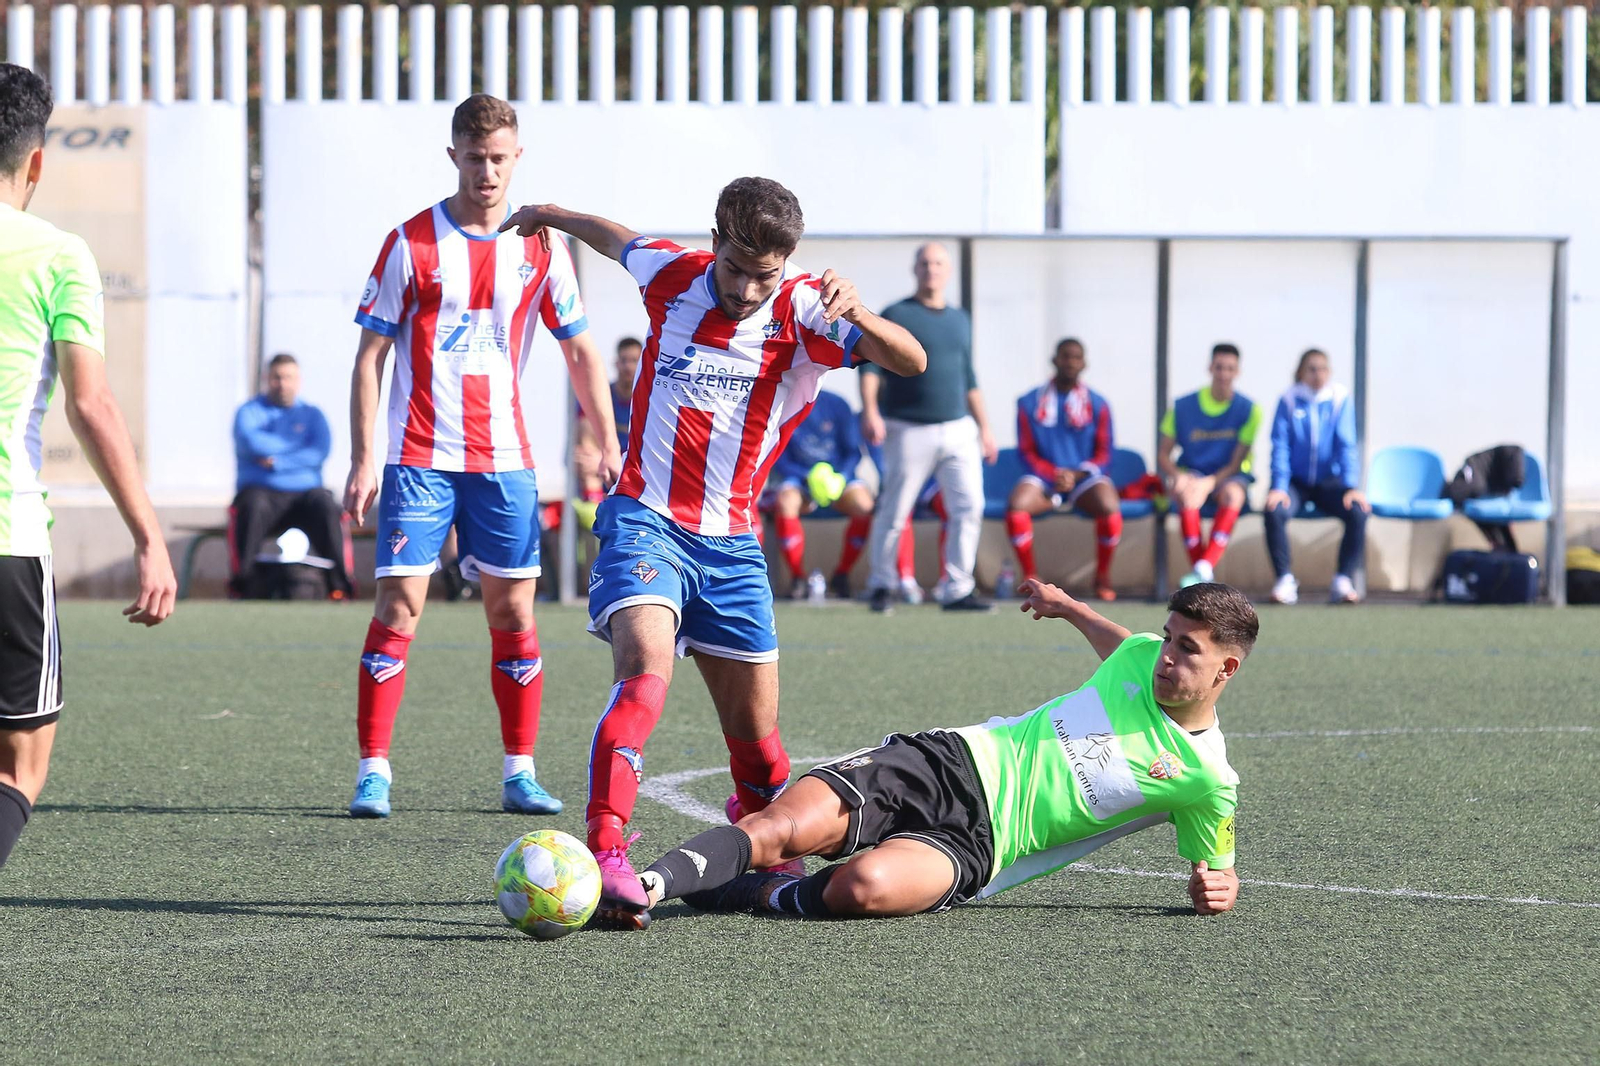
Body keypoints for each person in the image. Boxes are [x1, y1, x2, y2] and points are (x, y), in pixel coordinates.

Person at [499, 176, 927, 924]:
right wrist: (547, 214)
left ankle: (759, 838)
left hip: (731, 547)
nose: (747, 289)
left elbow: (911, 361)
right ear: (715, 244)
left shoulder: (805, 309)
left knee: (760, 750)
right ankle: (607, 852)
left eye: (766, 275)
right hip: (645, 522)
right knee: (644, 679)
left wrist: (858, 311)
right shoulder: (672, 274)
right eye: (735, 269)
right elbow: (614, 237)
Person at [617, 579, 1251, 925]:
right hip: (949, 762)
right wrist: (1066, 607)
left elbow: (1216, 870)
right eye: (1167, 637)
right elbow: (1119, 641)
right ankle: (644, 886)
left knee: (863, 888)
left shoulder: (1207, 778)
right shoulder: (1141, 656)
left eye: (1187, 649)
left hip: (986, 845)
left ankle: (757, 894)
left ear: (1226, 668)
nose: (1166, 656)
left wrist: (1216, 887)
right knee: (781, 829)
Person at [341, 94, 621, 820]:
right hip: (419, 456)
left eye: (499, 158)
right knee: (400, 605)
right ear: (454, 157)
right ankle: (374, 770)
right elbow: (370, 356)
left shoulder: (541, 248)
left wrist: (608, 441)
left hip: (504, 459)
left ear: (516, 157)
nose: (487, 172)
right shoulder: (410, 242)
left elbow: (581, 351)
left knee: (513, 609)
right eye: (475, 158)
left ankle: (519, 771)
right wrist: (365, 458)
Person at [0, 64, 177, 870]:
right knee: (18, 767)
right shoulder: (58, 254)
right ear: (37, 160)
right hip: (8, 537)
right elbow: (91, 404)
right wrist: (149, 536)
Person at [860, 242, 997, 615]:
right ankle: (882, 584)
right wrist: (870, 411)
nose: (931, 269)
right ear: (915, 269)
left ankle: (957, 589)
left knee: (969, 507)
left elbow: (968, 377)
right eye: (924, 263)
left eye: (937, 263)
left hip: (958, 429)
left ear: (947, 271)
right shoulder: (896, 313)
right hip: (907, 428)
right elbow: (871, 367)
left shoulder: (960, 319)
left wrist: (985, 428)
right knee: (895, 508)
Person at [1006, 338, 1123, 601]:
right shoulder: (1028, 402)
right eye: (1065, 356)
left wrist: (1076, 475)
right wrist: (1054, 475)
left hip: (1083, 479)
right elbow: (1026, 452)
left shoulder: (1098, 404)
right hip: (1045, 479)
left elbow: (1105, 454)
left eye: (1076, 357)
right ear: (1054, 360)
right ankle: (1030, 576)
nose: (1070, 362)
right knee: (1017, 505)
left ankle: (1102, 577)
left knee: (1109, 504)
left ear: (1084, 364)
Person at [229, 353, 355, 599]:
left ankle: (340, 586)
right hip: (262, 494)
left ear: (298, 380)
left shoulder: (313, 415)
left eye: (288, 377)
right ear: (267, 379)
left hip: (305, 495)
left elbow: (318, 452)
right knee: (251, 505)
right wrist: (298, 449)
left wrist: (277, 462)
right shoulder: (249, 412)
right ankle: (242, 586)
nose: (282, 383)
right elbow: (252, 443)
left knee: (326, 505)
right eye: (277, 377)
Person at [1264, 348, 1368, 605]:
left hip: (1328, 482)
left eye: (1322, 369)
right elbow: (1280, 445)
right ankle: (1285, 580)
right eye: (1312, 369)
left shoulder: (1339, 399)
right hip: (1296, 483)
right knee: (1274, 510)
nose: (1318, 374)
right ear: (1301, 372)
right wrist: (1279, 486)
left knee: (1358, 511)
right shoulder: (1289, 399)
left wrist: (1350, 486)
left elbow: (1346, 445)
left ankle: (1343, 579)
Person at [1156, 343, 1263, 589]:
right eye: (1219, 367)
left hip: (1229, 476)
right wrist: (1178, 476)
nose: (1224, 373)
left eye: (1230, 368)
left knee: (1233, 495)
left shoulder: (1250, 410)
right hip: (1193, 474)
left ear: (1237, 372)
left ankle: (1203, 568)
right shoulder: (1182, 406)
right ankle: (1202, 572)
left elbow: (1236, 462)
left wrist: (1209, 483)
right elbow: (1163, 454)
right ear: (1210, 368)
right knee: (1186, 494)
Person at [762, 388, 875, 600]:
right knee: (786, 502)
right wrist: (806, 476)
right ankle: (797, 577)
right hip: (800, 480)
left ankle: (842, 574)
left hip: (837, 479)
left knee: (863, 504)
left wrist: (840, 477)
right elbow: (778, 455)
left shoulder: (838, 403)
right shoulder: (786, 401)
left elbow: (853, 452)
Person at [573, 337, 640, 529]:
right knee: (585, 458)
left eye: (634, 361)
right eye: (624, 360)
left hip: (635, 476)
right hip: (603, 471)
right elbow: (585, 440)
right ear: (616, 363)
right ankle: (594, 518)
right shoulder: (602, 396)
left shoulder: (649, 399)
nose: (628, 366)